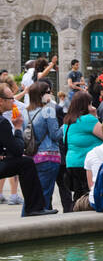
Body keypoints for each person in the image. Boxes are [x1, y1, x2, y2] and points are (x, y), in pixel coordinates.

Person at [0, 93, 52, 216]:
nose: (14, 101)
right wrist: (18, 128)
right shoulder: (2, 122)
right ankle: (34, 208)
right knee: (26, 163)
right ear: (1, 101)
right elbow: (17, 150)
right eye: (10, 99)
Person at [26, 81, 63, 212]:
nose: (51, 94)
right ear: (41, 95)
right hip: (49, 156)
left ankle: (26, 219)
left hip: (31, 156)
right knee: (45, 193)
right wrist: (66, 124)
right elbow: (55, 135)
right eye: (48, 92)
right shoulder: (48, 110)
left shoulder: (27, 111)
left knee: (32, 194)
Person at [61, 90, 103, 204]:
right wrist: (95, 116)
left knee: (78, 195)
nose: (92, 107)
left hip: (72, 163)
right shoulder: (88, 119)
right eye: (89, 104)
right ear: (85, 105)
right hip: (86, 163)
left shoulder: (68, 121)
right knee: (90, 194)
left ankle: (76, 215)